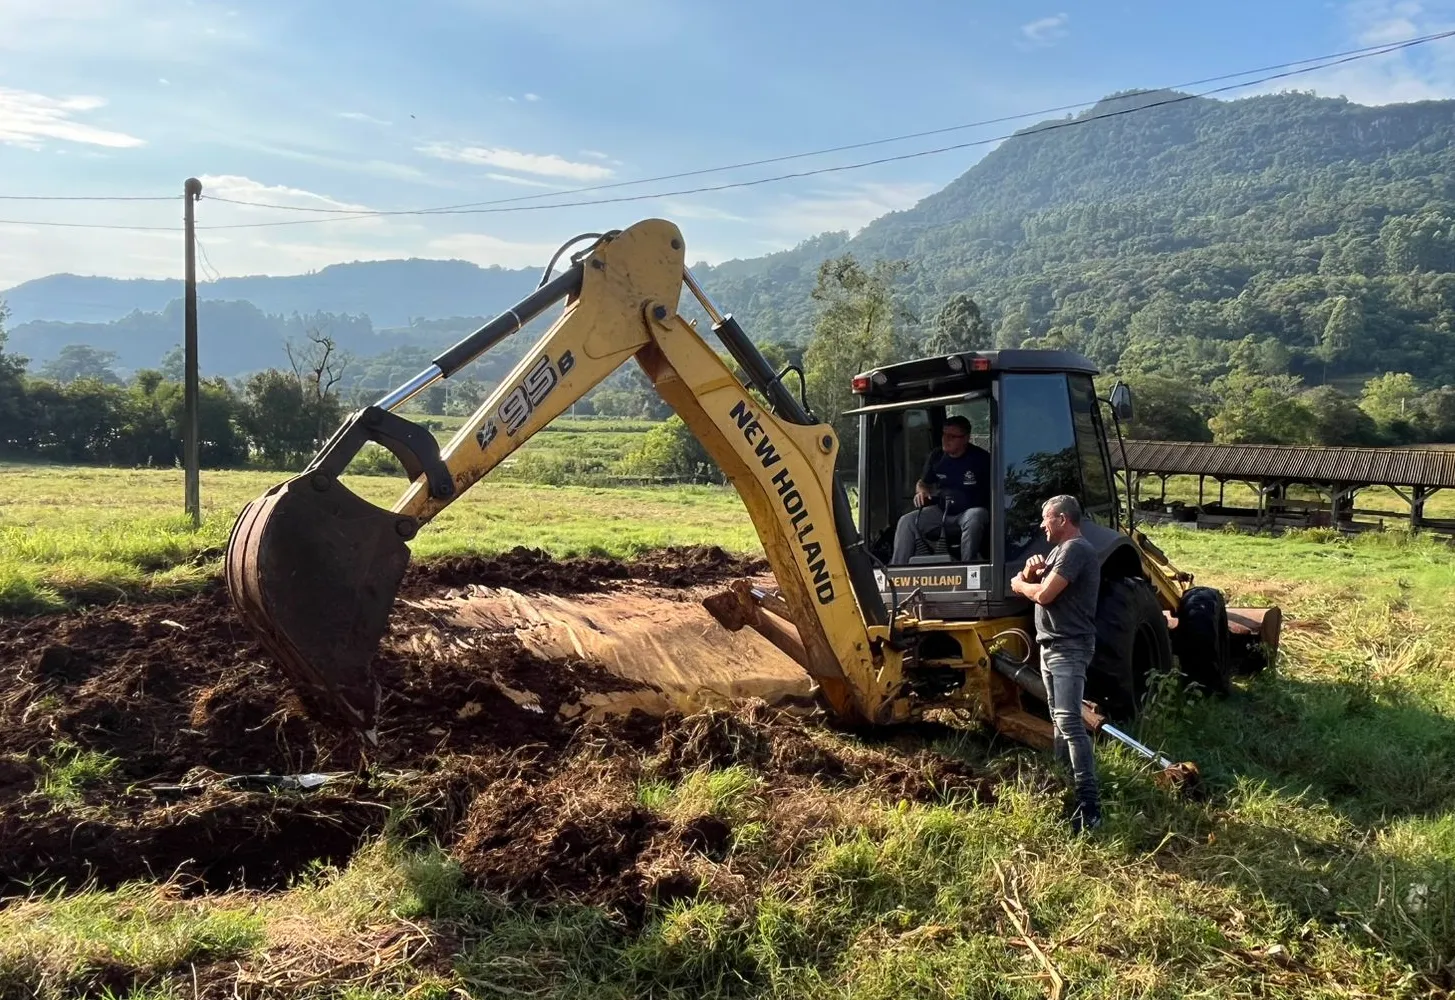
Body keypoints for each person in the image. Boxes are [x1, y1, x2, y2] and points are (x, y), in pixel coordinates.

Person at [1009, 494, 1103, 834]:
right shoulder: (1057, 553)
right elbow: (1035, 585)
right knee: (1059, 721)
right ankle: (1064, 787)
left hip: (1068, 648)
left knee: (1069, 722)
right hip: (1051, 647)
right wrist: (1029, 572)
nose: (1041, 525)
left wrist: (1022, 583)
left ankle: (1089, 806)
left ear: (1062, 519)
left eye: (1046, 518)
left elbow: (1045, 595)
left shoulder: (1075, 550)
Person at [890, 415, 991, 563]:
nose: (945, 439)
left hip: (969, 511)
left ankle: (968, 566)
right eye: (944, 434)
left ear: (965, 438)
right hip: (942, 510)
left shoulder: (981, 459)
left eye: (952, 436)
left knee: (975, 516)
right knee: (907, 521)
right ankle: (897, 569)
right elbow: (922, 483)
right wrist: (922, 492)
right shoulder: (937, 457)